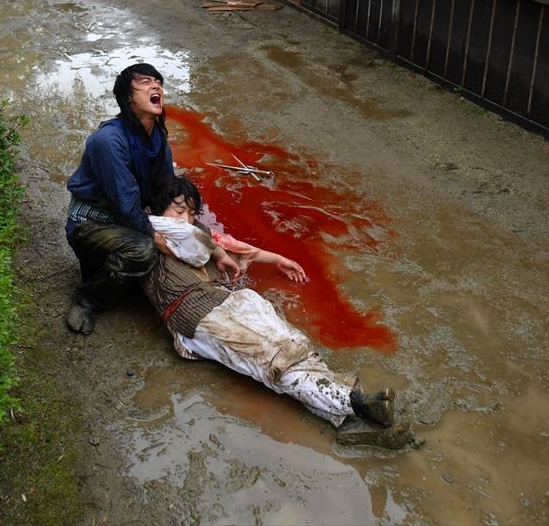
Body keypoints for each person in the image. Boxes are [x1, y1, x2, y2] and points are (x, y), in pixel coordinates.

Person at [143, 175, 422, 448]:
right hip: (198, 313)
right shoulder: (145, 237)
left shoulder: (199, 234)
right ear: (155, 209)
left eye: (192, 214)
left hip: (235, 300)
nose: (186, 220)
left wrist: (278, 259)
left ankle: (350, 421)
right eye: (179, 211)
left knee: (295, 345)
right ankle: (356, 403)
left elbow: (235, 248)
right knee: (271, 357)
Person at [64, 63, 175, 334]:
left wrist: (179, 219)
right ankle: (88, 298)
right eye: (146, 82)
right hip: (91, 223)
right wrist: (156, 234)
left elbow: (167, 187)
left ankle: (121, 274)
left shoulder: (157, 136)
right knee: (143, 250)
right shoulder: (108, 141)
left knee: (187, 229)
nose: (156, 85)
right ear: (128, 97)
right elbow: (126, 205)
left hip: (127, 215)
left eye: (158, 81)